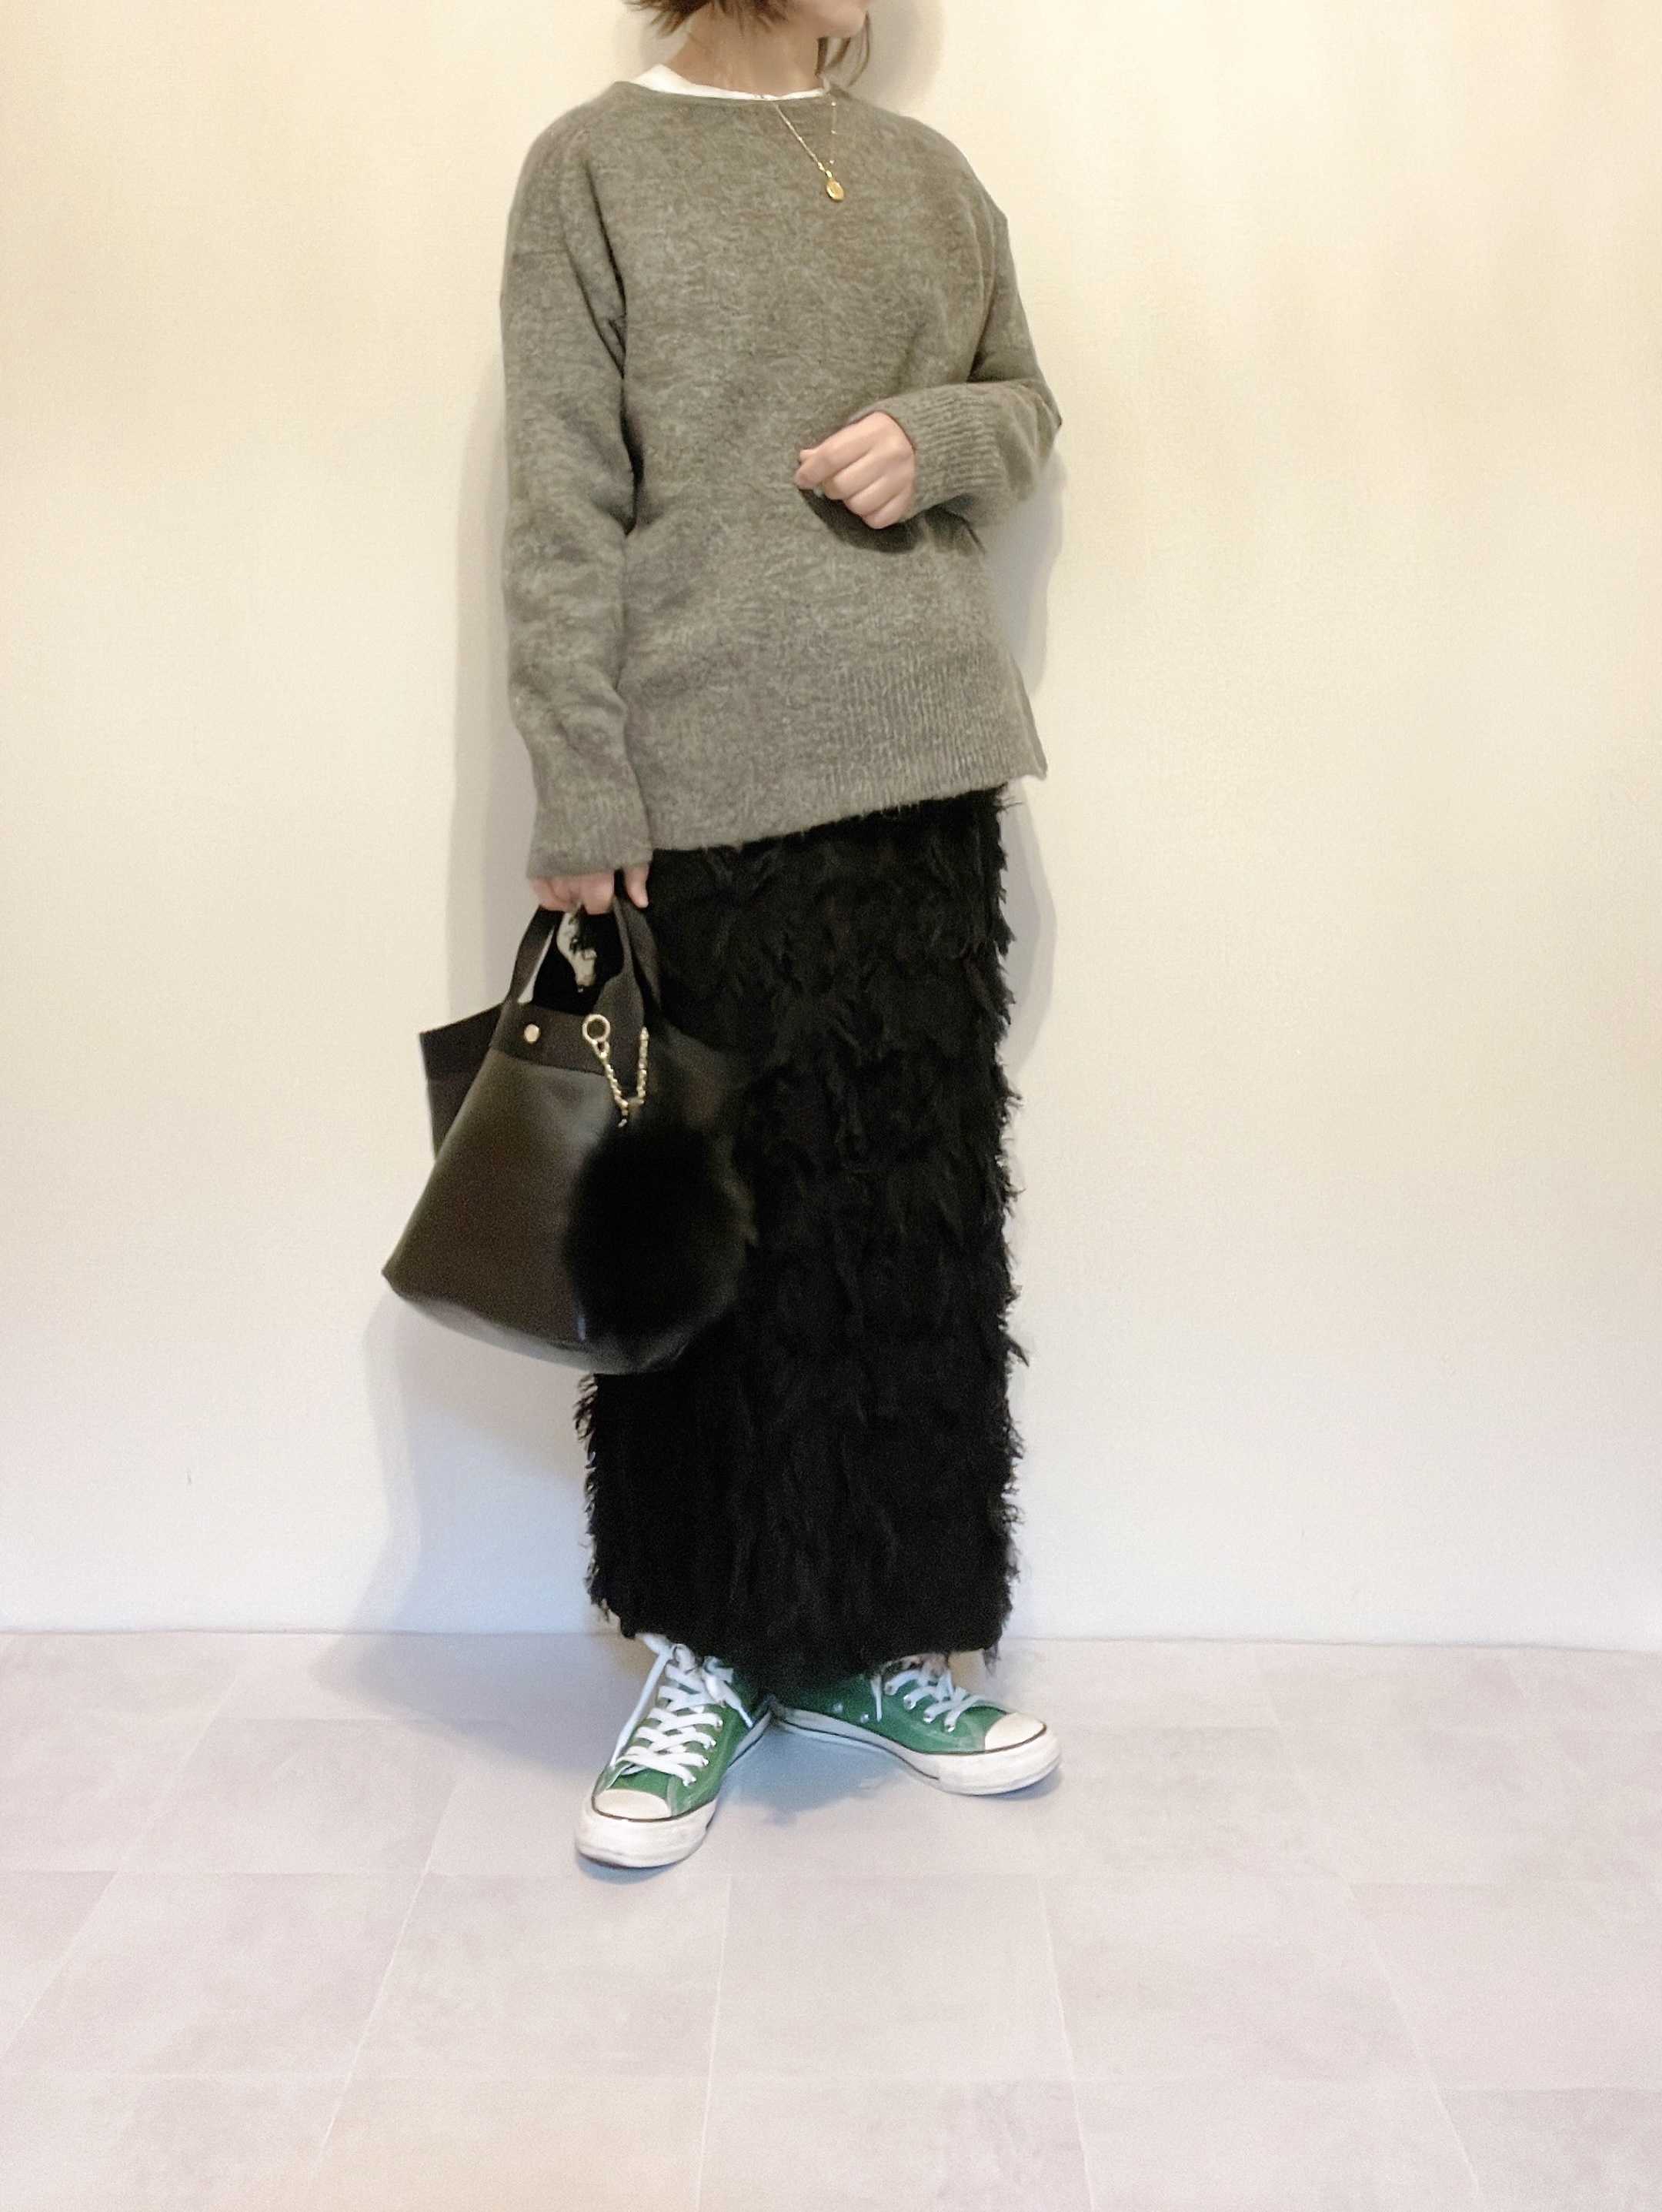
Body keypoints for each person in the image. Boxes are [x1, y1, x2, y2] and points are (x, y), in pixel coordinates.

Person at [498, 0, 1066, 1868]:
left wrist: (937, 431)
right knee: (706, 1247)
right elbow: (563, 504)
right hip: (702, 785)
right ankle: (709, 1650)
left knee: (909, 1232)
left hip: (924, 768)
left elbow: (1024, 398)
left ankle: (886, 1643)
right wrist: (582, 786)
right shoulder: (595, 165)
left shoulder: (927, 172)